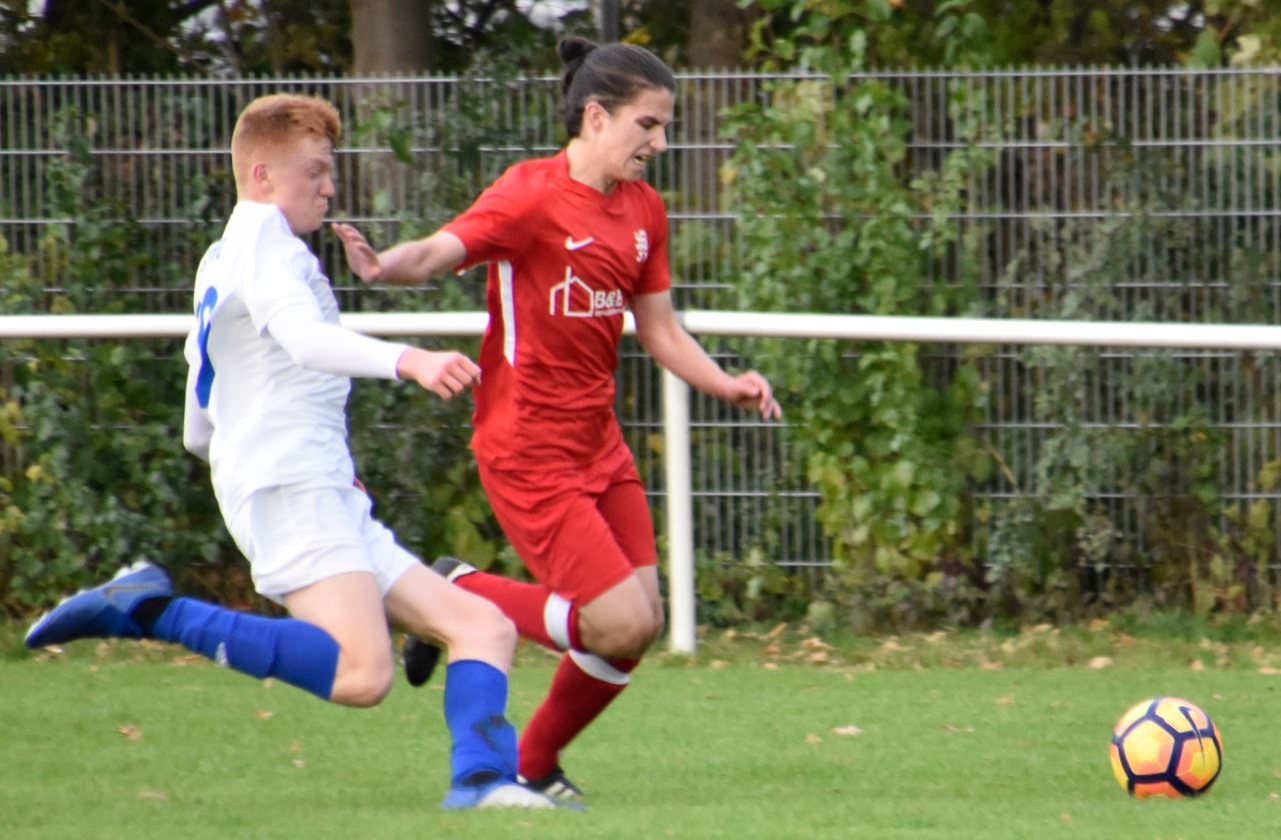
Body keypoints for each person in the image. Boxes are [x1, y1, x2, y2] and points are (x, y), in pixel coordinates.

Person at [23, 93, 564, 811]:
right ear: (262, 175)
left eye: (328, 171)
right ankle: (147, 611)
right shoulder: (267, 248)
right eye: (314, 172)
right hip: (290, 485)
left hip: (307, 482)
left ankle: (482, 786)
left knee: (481, 627)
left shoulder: (225, 255)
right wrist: (410, 360)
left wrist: (297, 462)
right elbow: (306, 342)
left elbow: (197, 425)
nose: (329, 187)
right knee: (363, 673)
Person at [332, 37, 782, 804]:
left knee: (640, 623)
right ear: (596, 117)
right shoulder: (530, 195)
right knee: (617, 623)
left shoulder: (643, 210)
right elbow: (441, 250)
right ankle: (453, 592)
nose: (659, 144)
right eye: (647, 125)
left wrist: (723, 383)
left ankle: (533, 763)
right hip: (528, 449)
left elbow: (660, 329)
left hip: (597, 445)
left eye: (664, 127)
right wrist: (383, 268)